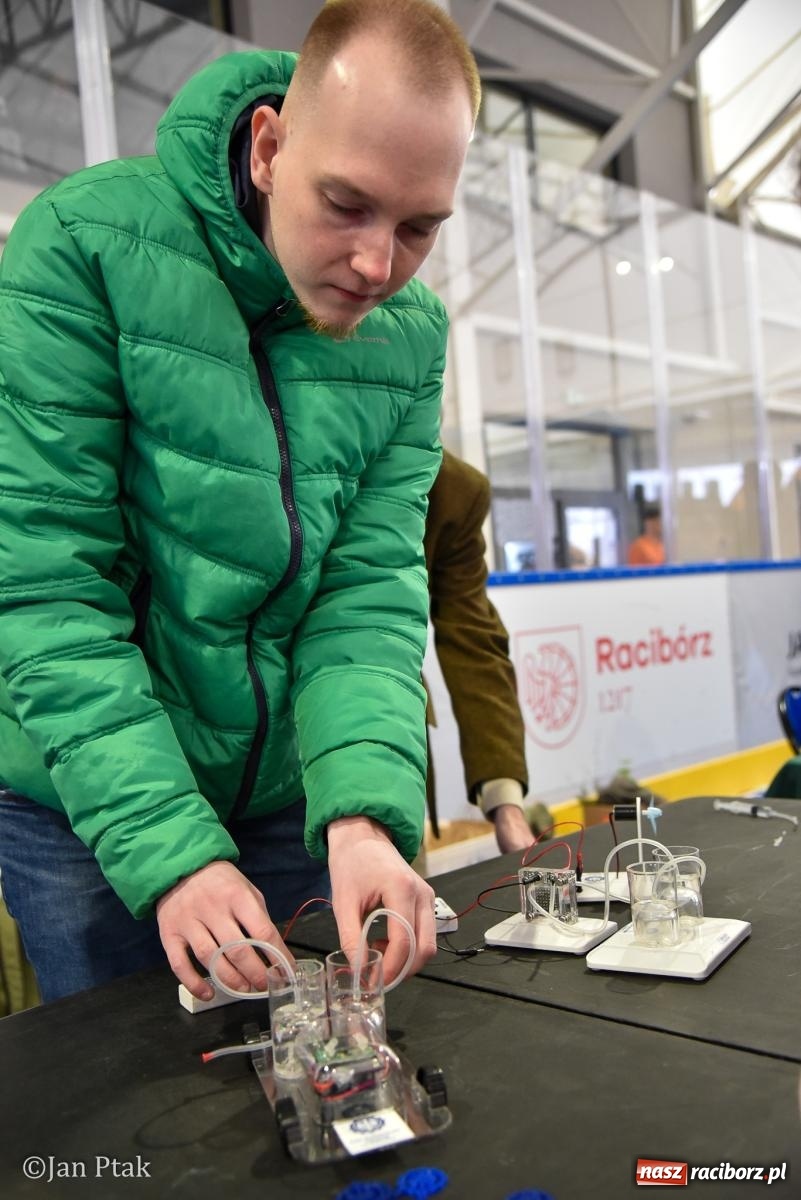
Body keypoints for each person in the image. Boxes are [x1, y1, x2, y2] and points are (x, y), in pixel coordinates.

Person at [0, 0, 480, 1003]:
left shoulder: (412, 333)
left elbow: (365, 593)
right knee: (123, 1106)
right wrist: (171, 852)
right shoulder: (81, 249)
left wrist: (359, 810)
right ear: (268, 148)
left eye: (420, 228)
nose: (376, 265)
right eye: (345, 204)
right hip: (90, 797)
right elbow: (48, 589)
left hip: (286, 792)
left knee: (337, 1066)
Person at [424, 450, 534, 855]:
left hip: (385, 748)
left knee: (395, 913)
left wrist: (506, 802)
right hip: (263, 751)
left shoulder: (455, 491)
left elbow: (474, 640)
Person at [627, 502, 666, 567]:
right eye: (657, 521)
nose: (660, 525)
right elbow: (634, 571)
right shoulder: (639, 546)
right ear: (649, 523)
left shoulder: (661, 545)